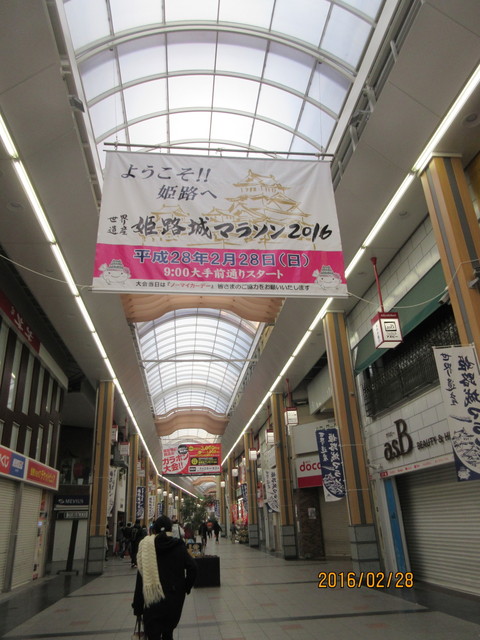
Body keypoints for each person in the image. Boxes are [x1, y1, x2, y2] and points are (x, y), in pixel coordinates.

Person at [132, 515, 197, 640]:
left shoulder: (146, 548)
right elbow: (193, 567)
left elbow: (141, 579)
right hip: (173, 599)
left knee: (153, 634)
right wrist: (185, 587)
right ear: (171, 529)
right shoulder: (178, 546)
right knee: (168, 632)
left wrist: (138, 607)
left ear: (154, 530)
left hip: (152, 601)